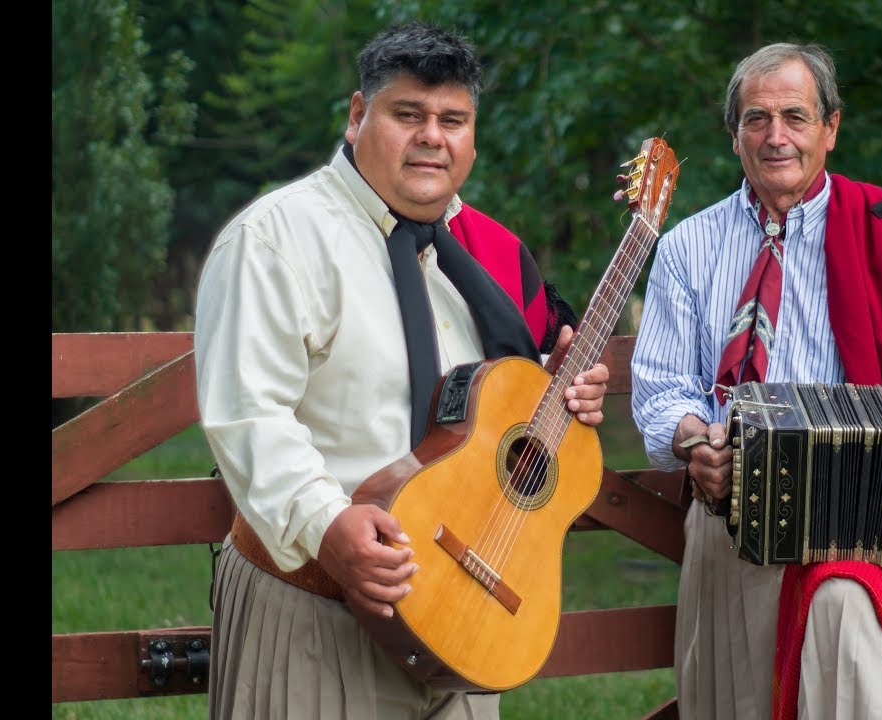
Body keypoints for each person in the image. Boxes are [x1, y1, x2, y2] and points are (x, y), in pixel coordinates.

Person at [193, 21, 610, 720]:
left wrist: (560, 399)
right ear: (358, 116)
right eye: (407, 114)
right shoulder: (276, 239)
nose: (432, 137)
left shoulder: (486, 257)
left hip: (465, 618)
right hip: (314, 610)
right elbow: (249, 413)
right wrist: (329, 529)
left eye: (453, 120)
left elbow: (486, 413)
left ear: (473, 136)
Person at [629, 42, 882, 720]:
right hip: (735, 512)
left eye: (796, 117)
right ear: (735, 134)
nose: (776, 137)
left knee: (846, 625)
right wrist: (693, 443)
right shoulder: (687, 247)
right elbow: (662, 390)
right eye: (756, 119)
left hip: (868, 523)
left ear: (831, 127)